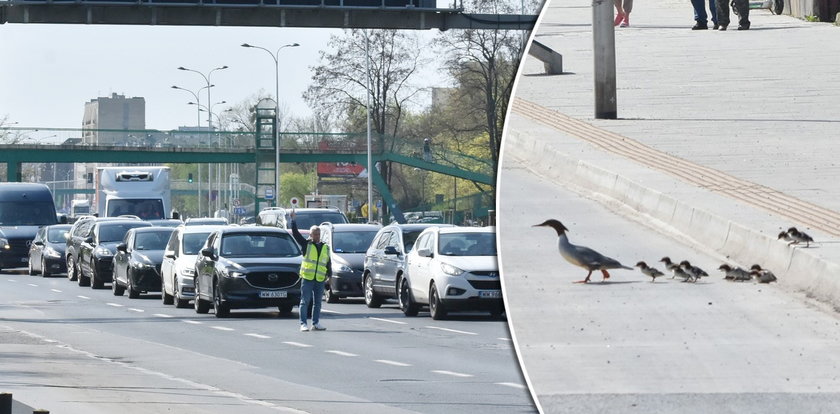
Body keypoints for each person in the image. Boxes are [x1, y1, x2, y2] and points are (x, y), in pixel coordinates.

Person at [290, 209, 331, 332]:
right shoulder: (306, 244)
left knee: (318, 303)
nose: (317, 236)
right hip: (307, 278)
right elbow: (296, 234)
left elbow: (328, 262)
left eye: (318, 234)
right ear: (311, 235)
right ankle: (303, 323)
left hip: (319, 279)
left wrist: (329, 275)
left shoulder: (325, 247)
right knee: (305, 301)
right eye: (315, 234)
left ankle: (316, 323)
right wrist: (293, 220)